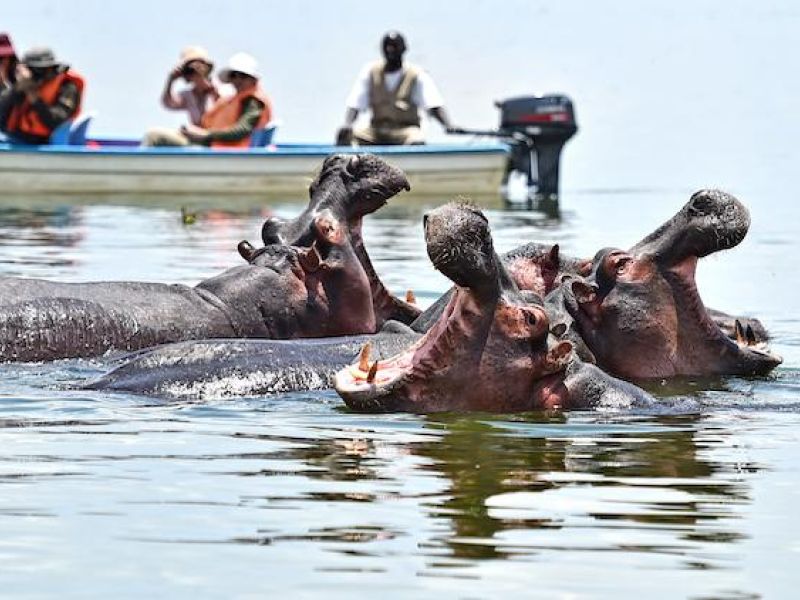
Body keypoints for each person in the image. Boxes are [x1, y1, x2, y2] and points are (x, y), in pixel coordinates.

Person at [338, 31, 458, 146]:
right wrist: (347, 124)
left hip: (404, 131)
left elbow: (433, 105)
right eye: (387, 46)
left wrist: (447, 124)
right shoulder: (370, 72)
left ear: (404, 49)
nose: (390, 50)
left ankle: (413, 164)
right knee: (345, 135)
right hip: (376, 131)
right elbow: (355, 104)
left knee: (417, 139)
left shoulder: (416, 74)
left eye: (395, 46)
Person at [143, 52, 272, 148]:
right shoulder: (190, 95)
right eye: (233, 75)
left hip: (218, 146)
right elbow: (168, 103)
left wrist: (206, 135)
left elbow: (241, 130)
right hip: (209, 141)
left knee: (153, 135)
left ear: (253, 79)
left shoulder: (249, 99)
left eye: (243, 76)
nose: (237, 80)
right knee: (156, 135)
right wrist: (171, 79)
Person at [0, 46, 84, 144]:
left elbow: (55, 122)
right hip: (18, 139)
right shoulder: (24, 82)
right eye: (34, 70)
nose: (39, 75)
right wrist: (17, 89)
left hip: (46, 143)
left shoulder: (67, 86)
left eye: (43, 69)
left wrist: (35, 99)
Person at [160, 46, 219, 126]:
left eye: (199, 66)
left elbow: (225, 105)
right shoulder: (188, 95)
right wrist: (171, 80)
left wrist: (202, 81)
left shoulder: (220, 87)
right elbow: (168, 103)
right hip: (195, 136)